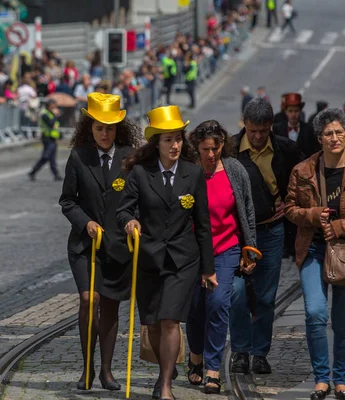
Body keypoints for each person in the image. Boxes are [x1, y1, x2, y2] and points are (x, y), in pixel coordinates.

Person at [284, 108, 345, 400]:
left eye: (339, 132)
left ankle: (340, 380)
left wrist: (341, 226)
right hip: (312, 249)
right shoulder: (302, 170)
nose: (334, 138)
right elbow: (289, 209)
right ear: (319, 138)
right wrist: (313, 214)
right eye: (328, 133)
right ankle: (321, 378)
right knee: (315, 312)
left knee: (342, 321)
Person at [116, 105, 216, 400]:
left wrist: (207, 269)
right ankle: (165, 372)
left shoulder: (193, 173)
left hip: (183, 260)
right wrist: (130, 221)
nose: (175, 145)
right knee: (152, 323)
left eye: (178, 139)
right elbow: (123, 210)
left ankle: (166, 387)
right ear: (156, 143)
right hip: (148, 259)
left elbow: (202, 224)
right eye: (168, 139)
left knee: (170, 319)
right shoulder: (139, 173)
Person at [59, 93, 142, 391]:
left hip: (118, 246)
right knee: (88, 299)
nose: (104, 134)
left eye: (109, 128)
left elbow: (139, 199)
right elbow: (67, 201)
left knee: (109, 307)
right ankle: (86, 368)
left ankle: (106, 371)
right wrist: (87, 222)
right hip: (85, 245)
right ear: (89, 128)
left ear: (118, 127)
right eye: (98, 128)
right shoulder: (79, 157)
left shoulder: (131, 157)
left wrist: (133, 222)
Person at [229, 98, 302, 374]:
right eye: (252, 131)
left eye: (262, 131)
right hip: (237, 234)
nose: (257, 137)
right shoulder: (231, 150)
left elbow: (301, 181)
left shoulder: (287, 149)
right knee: (235, 294)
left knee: (265, 296)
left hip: (271, 231)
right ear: (244, 126)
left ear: (270, 126)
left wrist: (291, 201)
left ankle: (259, 352)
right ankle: (239, 350)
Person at [185, 120, 257, 394]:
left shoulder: (234, 170)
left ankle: (212, 368)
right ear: (197, 148)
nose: (211, 154)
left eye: (216, 148)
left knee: (217, 304)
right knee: (194, 308)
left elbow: (247, 211)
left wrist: (249, 249)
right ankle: (195, 356)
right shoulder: (189, 172)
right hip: (192, 251)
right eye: (205, 149)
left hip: (226, 249)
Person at [28, 99, 63, 181]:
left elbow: (56, 126)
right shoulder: (45, 114)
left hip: (53, 138)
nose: (55, 108)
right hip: (47, 138)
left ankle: (56, 175)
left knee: (52, 158)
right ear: (49, 106)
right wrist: (55, 115)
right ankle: (33, 171)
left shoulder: (51, 114)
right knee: (46, 156)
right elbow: (51, 124)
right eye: (53, 106)